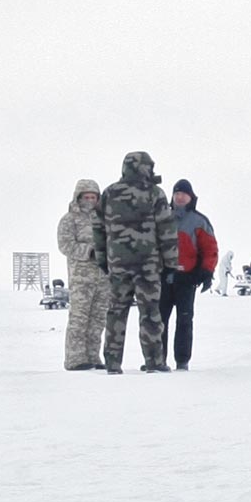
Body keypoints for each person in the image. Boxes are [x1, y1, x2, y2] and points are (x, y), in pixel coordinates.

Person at [93, 151, 179, 374]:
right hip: (147, 266)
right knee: (150, 313)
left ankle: (112, 362)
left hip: (118, 265)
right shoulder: (154, 193)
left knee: (116, 312)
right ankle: (154, 361)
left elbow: (98, 229)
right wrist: (171, 263)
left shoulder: (109, 193)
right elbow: (166, 230)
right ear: (144, 168)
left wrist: (103, 260)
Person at [158, 178, 218, 370]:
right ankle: (157, 360)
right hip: (163, 278)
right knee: (159, 321)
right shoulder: (161, 218)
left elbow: (210, 250)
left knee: (184, 320)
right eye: (176, 193)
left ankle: (182, 361)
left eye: (184, 194)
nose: (180, 197)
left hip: (186, 279)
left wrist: (205, 273)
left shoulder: (200, 221)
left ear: (190, 197)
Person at [57, 178, 112, 369]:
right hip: (81, 278)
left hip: (103, 278)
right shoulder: (69, 219)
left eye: (93, 197)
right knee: (79, 319)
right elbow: (65, 245)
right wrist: (89, 251)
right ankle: (75, 359)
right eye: (86, 196)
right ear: (78, 197)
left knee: (98, 320)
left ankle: (92, 357)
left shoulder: (106, 219)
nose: (89, 200)